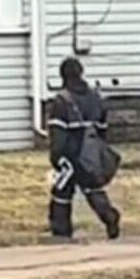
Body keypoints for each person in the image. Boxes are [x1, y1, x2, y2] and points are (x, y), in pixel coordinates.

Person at [48, 57, 121, 240]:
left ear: (62, 75)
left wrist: (56, 158)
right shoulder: (95, 98)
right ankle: (109, 216)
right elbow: (103, 130)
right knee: (93, 188)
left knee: (61, 193)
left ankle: (61, 231)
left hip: (70, 155)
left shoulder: (61, 100)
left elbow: (58, 134)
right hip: (89, 154)